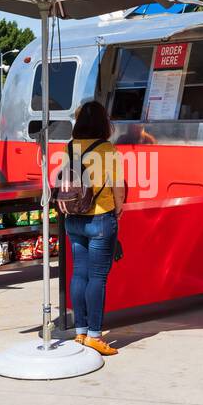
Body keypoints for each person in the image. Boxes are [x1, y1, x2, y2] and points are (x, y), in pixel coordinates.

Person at [63, 100, 124, 357]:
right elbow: (117, 187)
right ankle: (96, 336)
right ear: (103, 123)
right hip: (100, 218)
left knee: (79, 274)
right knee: (98, 278)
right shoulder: (108, 150)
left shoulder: (70, 146)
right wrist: (119, 208)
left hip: (73, 217)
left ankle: (81, 331)